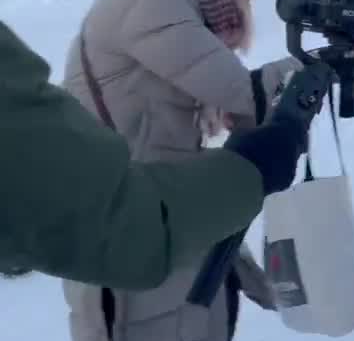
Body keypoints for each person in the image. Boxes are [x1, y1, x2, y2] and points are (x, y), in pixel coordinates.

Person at [62, 0, 301, 341]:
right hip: (121, 210)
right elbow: (240, 95)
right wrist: (304, 72)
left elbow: (239, 104)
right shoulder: (150, 1)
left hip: (168, 201)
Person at [0, 19, 307, 289]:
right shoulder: (158, 4)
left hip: (172, 210)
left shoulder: (190, 5)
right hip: (151, 218)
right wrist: (252, 167)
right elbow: (111, 223)